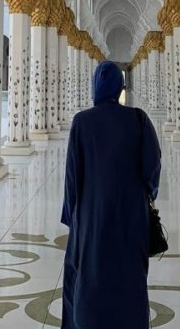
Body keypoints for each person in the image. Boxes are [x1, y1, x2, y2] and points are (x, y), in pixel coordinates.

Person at [61, 60, 161, 329]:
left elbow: (72, 177)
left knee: (88, 275)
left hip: (91, 218)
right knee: (130, 276)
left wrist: (73, 217)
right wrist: (145, 195)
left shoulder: (82, 122)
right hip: (131, 216)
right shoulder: (138, 119)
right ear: (120, 87)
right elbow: (152, 168)